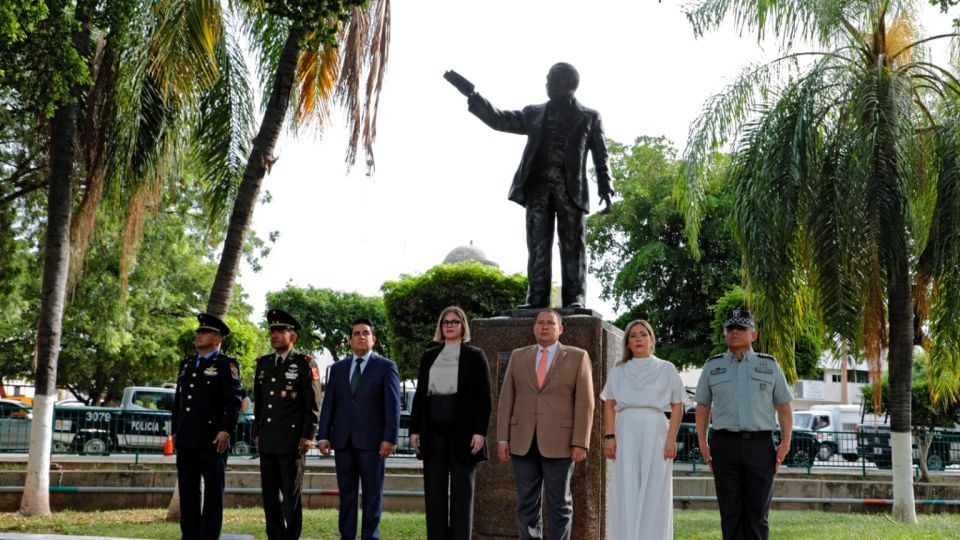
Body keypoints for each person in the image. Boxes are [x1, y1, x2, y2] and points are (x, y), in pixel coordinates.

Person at [447, 63, 613, 309]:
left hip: (571, 191)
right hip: (538, 189)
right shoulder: (534, 112)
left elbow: (601, 156)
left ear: (565, 84)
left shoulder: (589, 116)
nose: (546, 84)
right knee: (537, 246)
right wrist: (473, 95)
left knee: (573, 247)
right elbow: (499, 119)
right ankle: (536, 297)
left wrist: (606, 188)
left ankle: (575, 298)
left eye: (550, 80)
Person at [694, 309, 794, 540]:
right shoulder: (712, 366)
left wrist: (785, 443)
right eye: (730, 328)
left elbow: (784, 407)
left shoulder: (770, 366)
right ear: (725, 335)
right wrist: (703, 443)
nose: (735, 332)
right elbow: (702, 408)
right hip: (724, 446)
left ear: (754, 335)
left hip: (760, 446)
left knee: (758, 513)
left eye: (741, 328)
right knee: (730, 512)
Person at [496, 309, 595, 540]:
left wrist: (580, 441)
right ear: (534, 328)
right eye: (540, 322)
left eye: (550, 323)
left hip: (561, 443)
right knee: (526, 504)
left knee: (559, 504)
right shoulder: (519, 356)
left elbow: (585, 402)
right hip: (522, 441)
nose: (544, 326)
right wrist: (503, 438)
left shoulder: (577, 356)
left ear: (560, 329)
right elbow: (506, 399)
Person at [409, 306, 492, 539]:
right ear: (440, 326)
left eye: (455, 321)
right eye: (445, 322)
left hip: (464, 432)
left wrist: (479, 432)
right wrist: (414, 429)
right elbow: (420, 396)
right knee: (434, 493)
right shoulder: (429, 356)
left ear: (463, 326)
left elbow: (484, 397)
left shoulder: (475, 356)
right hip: (433, 431)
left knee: (462, 494)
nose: (449, 325)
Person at [600, 320, 686, 540]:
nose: (638, 339)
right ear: (627, 343)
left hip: (656, 429)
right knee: (626, 487)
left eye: (643, 334)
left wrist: (671, 439)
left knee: (655, 489)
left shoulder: (666, 368)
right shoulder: (619, 370)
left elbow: (678, 405)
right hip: (625, 429)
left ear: (652, 339)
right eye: (633, 335)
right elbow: (609, 404)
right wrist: (609, 436)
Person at [317, 317, 401, 540]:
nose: (361, 336)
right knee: (347, 496)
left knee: (373, 495)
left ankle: (370, 536)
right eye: (357, 333)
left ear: (373, 339)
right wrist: (323, 435)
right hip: (343, 442)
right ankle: (347, 535)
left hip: (374, 444)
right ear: (350, 340)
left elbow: (392, 406)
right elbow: (329, 404)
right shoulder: (337, 369)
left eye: (366, 333)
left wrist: (389, 438)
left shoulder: (386, 367)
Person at [171, 313, 242, 540]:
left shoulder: (225, 365)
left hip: (213, 438)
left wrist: (226, 430)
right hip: (187, 436)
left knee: (213, 491)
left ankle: (209, 535)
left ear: (216, 339)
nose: (199, 335)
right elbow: (179, 400)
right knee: (188, 489)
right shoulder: (187, 364)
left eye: (205, 332)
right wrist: (175, 429)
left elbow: (233, 402)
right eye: (198, 332)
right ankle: (189, 535)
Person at [253, 309, 322, 540]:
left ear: (293, 337)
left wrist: (308, 435)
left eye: (281, 330)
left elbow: (313, 404)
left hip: (292, 441)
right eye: (272, 330)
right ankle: (275, 535)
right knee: (269, 495)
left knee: (291, 496)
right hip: (268, 439)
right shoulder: (263, 364)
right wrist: (257, 432)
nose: (274, 334)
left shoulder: (304, 363)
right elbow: (260, 404)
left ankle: (291, 537)